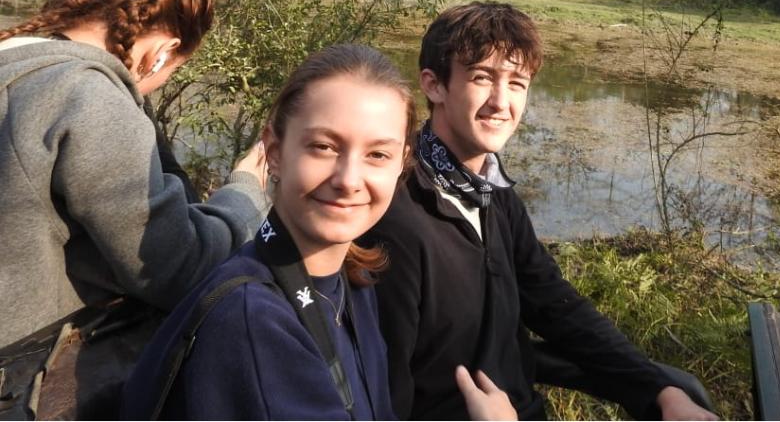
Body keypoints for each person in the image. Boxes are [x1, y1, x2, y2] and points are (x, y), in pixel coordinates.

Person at [359, 2, 719, 420]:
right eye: (482, 78)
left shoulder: (494, 195)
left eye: (517, 83)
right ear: (435, 85)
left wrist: (661, 390)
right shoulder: (397, 215)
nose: (501, 102)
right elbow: (385, 390)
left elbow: (556, 306)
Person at [121, 44, 515, 420]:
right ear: (274, 151)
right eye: (324, 147)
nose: (348, 179)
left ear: (402, 165)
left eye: (377, 154)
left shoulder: (351, 282)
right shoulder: (254, 322)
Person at [0, 0, 267, 349]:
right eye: (173, 68)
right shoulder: (88, 99)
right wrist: (246, 192)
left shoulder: (16, 69)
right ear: (162, 51)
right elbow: (175, 268)